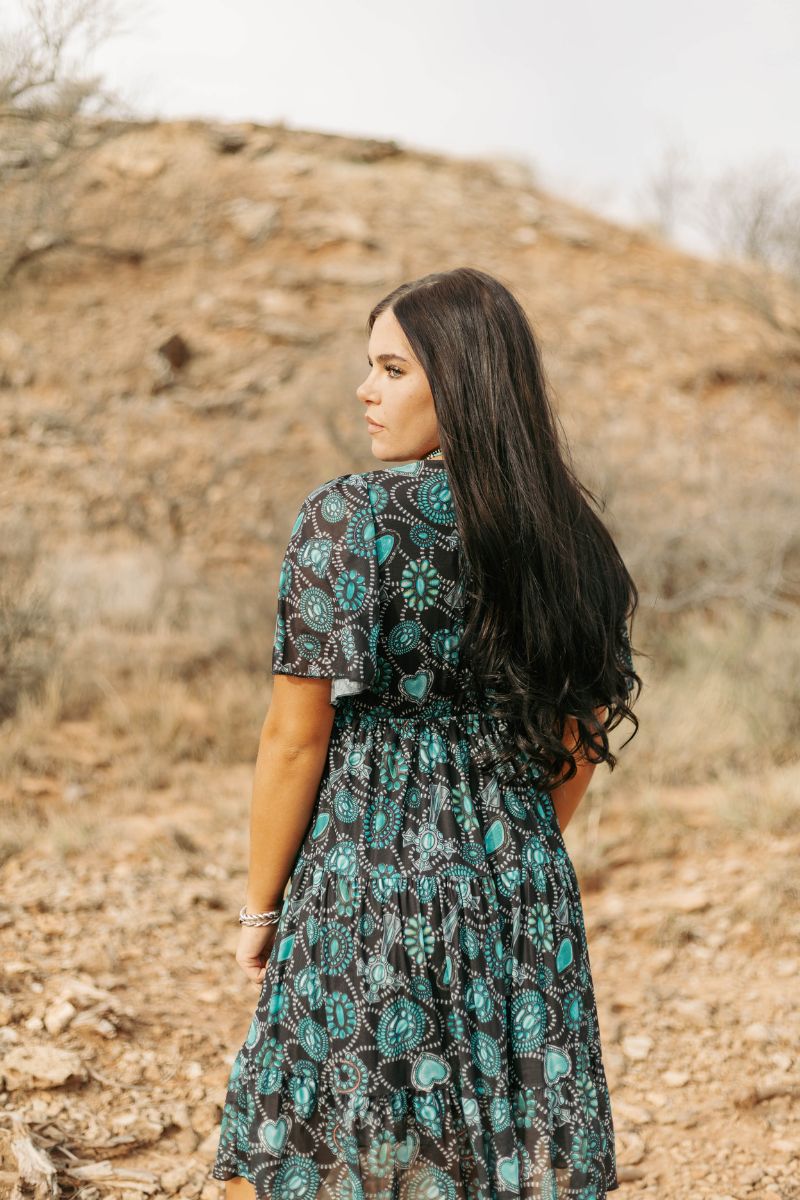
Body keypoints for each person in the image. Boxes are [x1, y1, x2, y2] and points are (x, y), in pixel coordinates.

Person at [210, 266, 640, 1200]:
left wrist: (260, 908)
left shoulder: (349, 517)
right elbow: (582, 729)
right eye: (371, 367)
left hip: (368, 881)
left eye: (394, 369)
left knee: (341, 1152)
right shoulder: (574, 533)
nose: (367, 390)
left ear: (464, 379)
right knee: (495, 1155)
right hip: (519, 884)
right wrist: (504, 848)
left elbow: (295, 737)